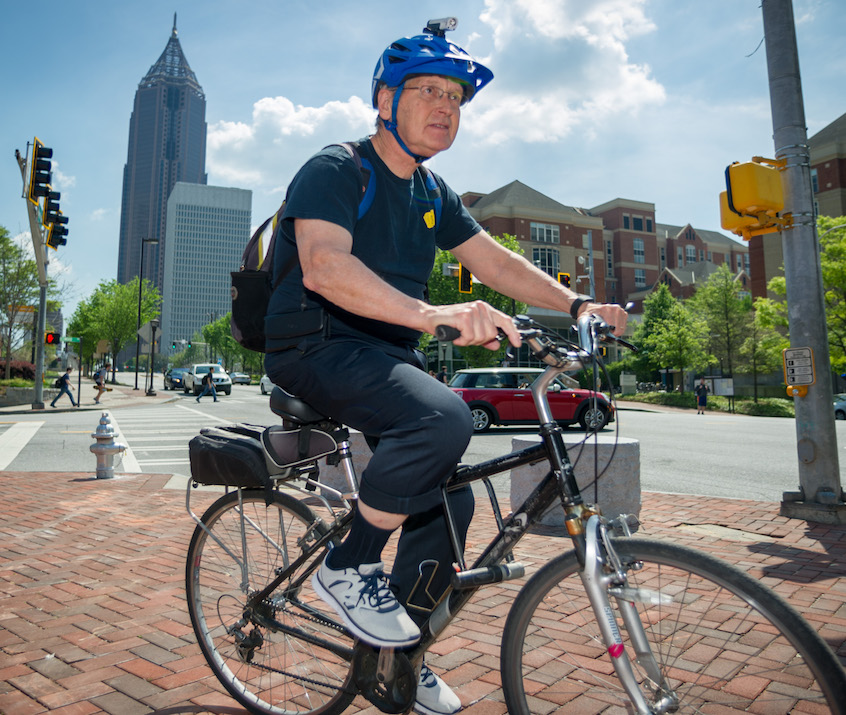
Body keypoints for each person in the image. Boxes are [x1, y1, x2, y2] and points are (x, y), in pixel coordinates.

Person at [264, 19, 627, 714]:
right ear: (383, 99)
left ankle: (400, 662)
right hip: (315, 346)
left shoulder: (432, 192)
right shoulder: (338, 168)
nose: (444, 106)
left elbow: (493, 261)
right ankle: (347, 565)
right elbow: (324, 266)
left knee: (451, 501)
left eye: (456, 97)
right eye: (426, 90)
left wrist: (577, 302)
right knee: (442, 416)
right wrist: (436, 315)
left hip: (383, 355)